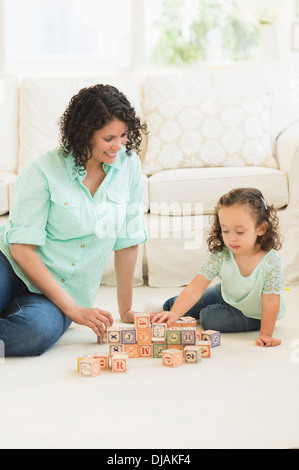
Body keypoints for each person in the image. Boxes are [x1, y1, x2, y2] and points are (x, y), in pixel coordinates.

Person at [0, 84, 148, 357]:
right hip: (10, 264)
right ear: (84, 135)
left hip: (56, 293)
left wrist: (125, 310)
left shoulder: (130, 168)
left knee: (35, 332)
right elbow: (21, 248)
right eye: (108, 138)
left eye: (124, 135)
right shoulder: (43, 169)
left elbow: (128, 241)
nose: (119, 146)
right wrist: (73, 311)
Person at [151, 188, 285, 347]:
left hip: (254, 313)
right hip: (227, 293)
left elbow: (271, 302)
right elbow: (194, 289)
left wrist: (266, 334)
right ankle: (167, 307)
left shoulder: (270, 262)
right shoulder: (222, 256)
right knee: (173, 306)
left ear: (261, 229)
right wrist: (174, 313)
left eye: (240, 232)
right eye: (225, 230)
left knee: (209, 318)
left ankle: (202, 311)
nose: (231, 238)